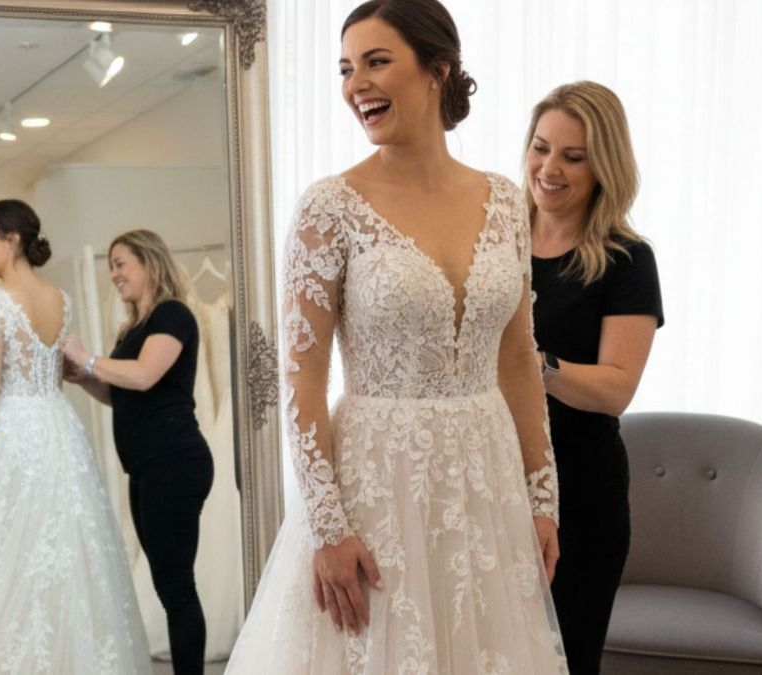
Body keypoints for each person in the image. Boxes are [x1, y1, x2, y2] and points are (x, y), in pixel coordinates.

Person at [225, 1, 567, 672]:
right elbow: (302, 376)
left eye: (376, 62)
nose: (356, 85)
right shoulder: (330, 207)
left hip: (486, 480)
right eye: (345, 69)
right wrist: (327, 525)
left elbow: (518, 359)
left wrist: (541, 496)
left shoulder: (505, 201)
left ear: (437, 70)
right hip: (378, 484)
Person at [0, 199, 150, 674]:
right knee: (67, 551)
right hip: (59, 430)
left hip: (14, 435)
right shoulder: (60, 299)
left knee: (14, 556)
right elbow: (57, 374)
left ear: (11, 239)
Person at [524, 81, 664, 674]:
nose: (549, 169)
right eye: (540, 148)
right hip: (489, 481)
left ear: (604, 166)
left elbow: (615, 389)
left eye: (573, 157)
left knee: (565, 663)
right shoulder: (494, 240)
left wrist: (534, 365)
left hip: (582, 495)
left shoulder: (627, 259)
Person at [60, 229, 214, 675]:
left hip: (175, 461)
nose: (114, 274)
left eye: (121, 263)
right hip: (146, 466)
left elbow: (145, 375)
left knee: (177, 587)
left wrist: (89, 358)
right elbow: (122, 394)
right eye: (111, 265)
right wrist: (85, 379)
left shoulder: (173, 314)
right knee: (168, 586)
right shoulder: (135, 327)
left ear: (149, 263)